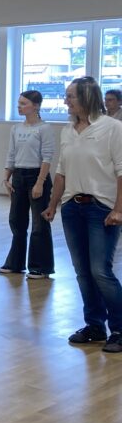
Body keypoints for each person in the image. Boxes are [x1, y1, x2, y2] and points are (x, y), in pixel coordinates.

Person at [42, 76, 122, 353]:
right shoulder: (68, 131)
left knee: (100, 271)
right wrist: (53, 204)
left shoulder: (113, 128)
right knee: (82, 272)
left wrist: (118, 209)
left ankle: (119, 329)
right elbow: (61, 172)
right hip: (72, 207)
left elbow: (121, 172)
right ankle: (95, 326)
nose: (66, 101)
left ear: (87, 97)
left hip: (102, 208)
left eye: (70, 96)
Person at [0, 91, 55, 279]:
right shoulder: (16, 128)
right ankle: (15, 263)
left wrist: (40, 183)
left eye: (24, 103)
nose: (19, 106)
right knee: (16, 220)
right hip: (19, 176)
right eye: (19, 103)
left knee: (39, 224)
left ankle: (40, 267)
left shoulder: (44, 128)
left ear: (36, 106)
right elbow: (11, 154)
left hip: (37, 176)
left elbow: (47, 158)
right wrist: (6, 178)